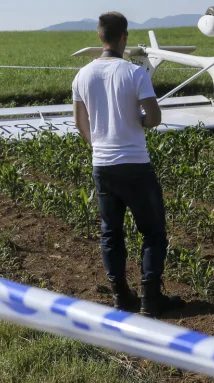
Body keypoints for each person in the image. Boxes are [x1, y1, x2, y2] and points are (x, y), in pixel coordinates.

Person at [72, 12, 184, 318]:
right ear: (124, 38)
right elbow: (155, 117)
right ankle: (150, 299)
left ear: (99, 37)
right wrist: (140, 120)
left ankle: (121, 296)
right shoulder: (135, 73)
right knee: (153, 233)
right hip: (135, 163)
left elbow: (80, 123)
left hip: (102, 165)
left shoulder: (82, 76)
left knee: (111, 232)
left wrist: (98, 145)